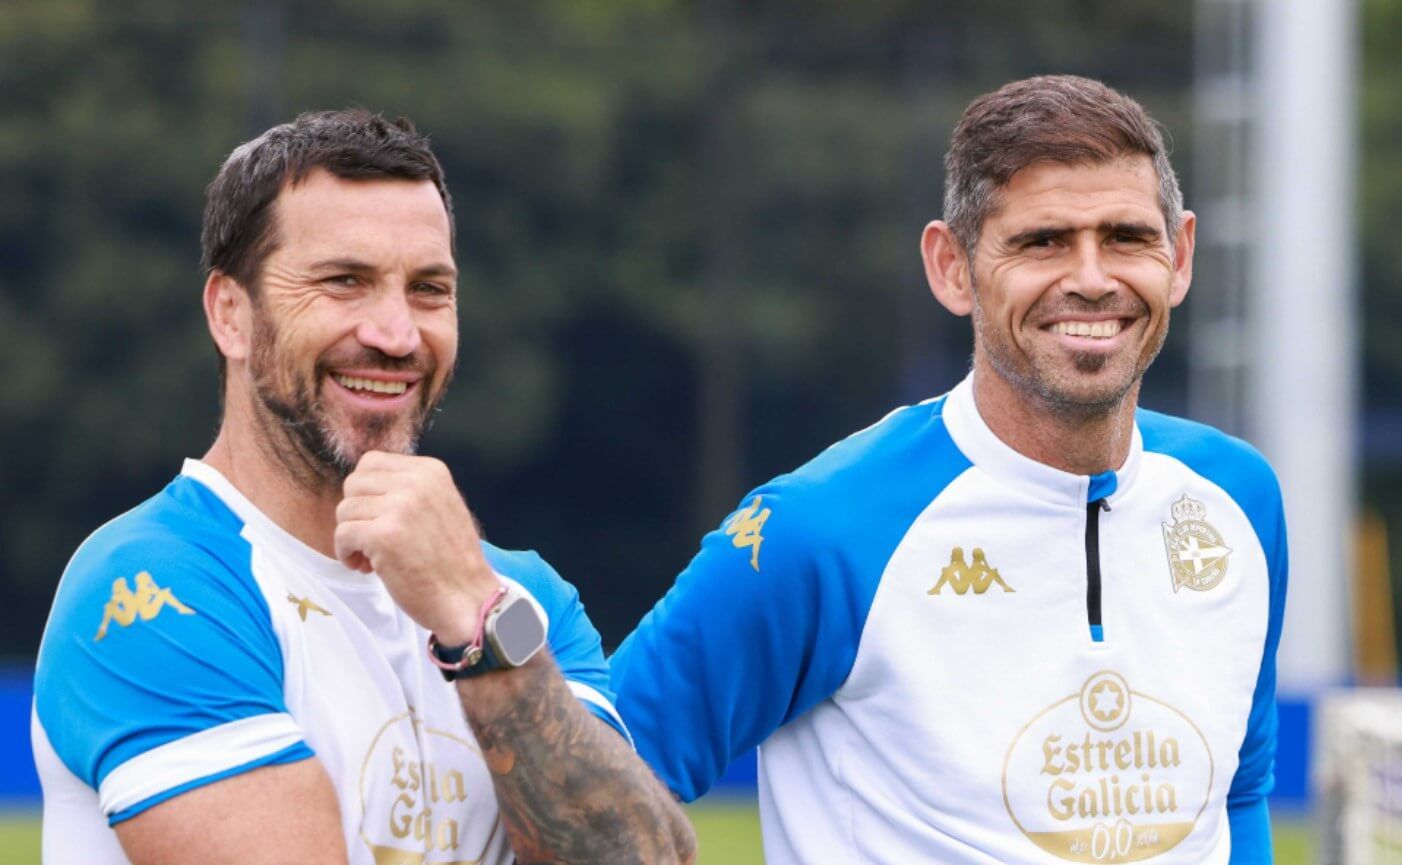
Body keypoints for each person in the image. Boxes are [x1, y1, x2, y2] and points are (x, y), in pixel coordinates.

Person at [610, 75, 1285, 865]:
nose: (1094, 277)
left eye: (1128, 236)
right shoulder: (820, 529)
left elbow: (1238, 795)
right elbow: (586, 796)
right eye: (1043, 241)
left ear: (1182, 256)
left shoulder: (1240, 498)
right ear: (952, 267)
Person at [32, 109, 695, 865]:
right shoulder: (150, 588)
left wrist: (478, 627)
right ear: (231, 315)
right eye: (344, 281)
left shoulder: (516, 598)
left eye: (429, 289)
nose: (396, 333)